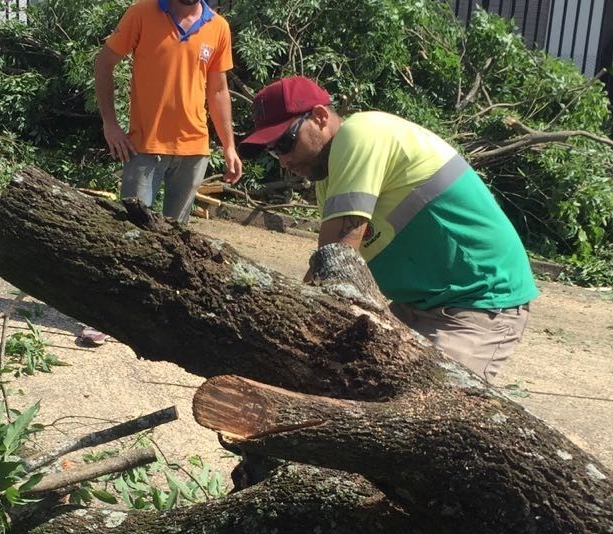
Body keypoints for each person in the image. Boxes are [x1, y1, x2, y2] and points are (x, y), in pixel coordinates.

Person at [238, 76, 539, 382]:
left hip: (477, 302)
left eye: (286, 142)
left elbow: (339, 259)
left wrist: (285, 329)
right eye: (274, 151)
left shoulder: (360, 134)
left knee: (427, 408)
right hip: (418, 305)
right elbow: (325, 267)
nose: (284, 160)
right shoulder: (326, 175)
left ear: (319, 116)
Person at [94, 0, 242, 223]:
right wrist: (110, 124)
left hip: (194, 150)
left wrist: (229, 146)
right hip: (144, 146)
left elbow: (218, 91)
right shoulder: (141, 13)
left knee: (176, 239)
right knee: (134, 232)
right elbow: (104, 63)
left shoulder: (218, 26)